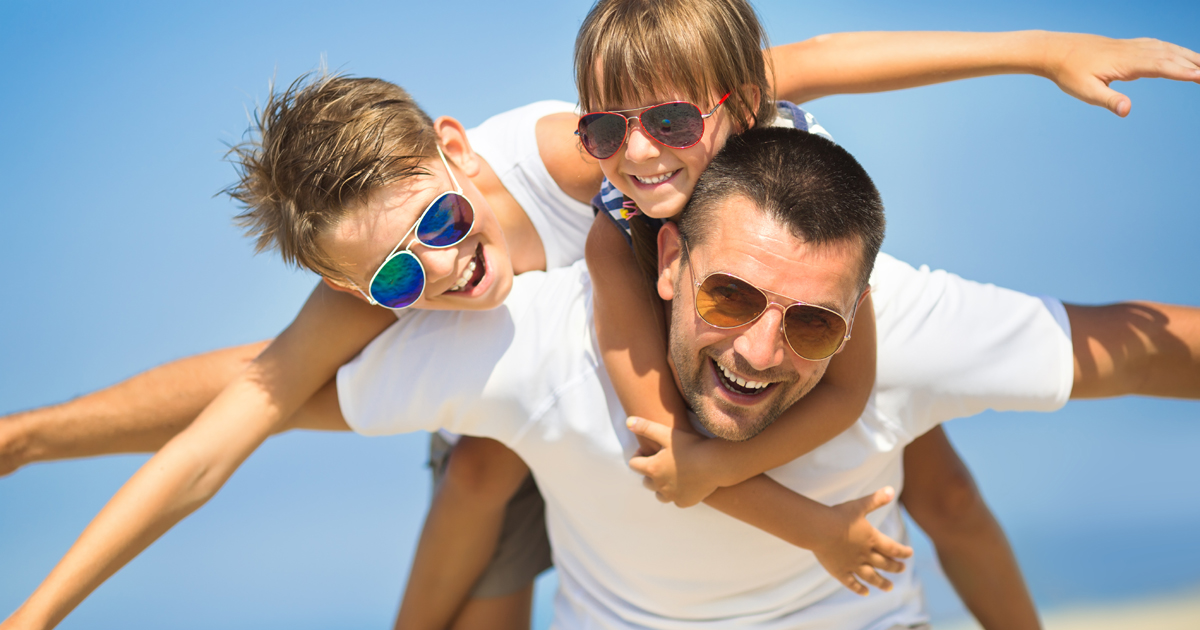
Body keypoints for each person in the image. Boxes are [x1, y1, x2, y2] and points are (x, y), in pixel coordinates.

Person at [4, 4, 1200, 627]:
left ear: (457, 150)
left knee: (935, 485)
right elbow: (246, 404)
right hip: (594, 401)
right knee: (471, 473)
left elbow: (818, 60)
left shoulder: (617, 162)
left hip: (761, 344)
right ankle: (20, 438)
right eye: (393, 285)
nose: (441, 274)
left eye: (436, 230)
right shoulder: (488, 255)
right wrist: (41, 607)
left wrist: (1042, 44)